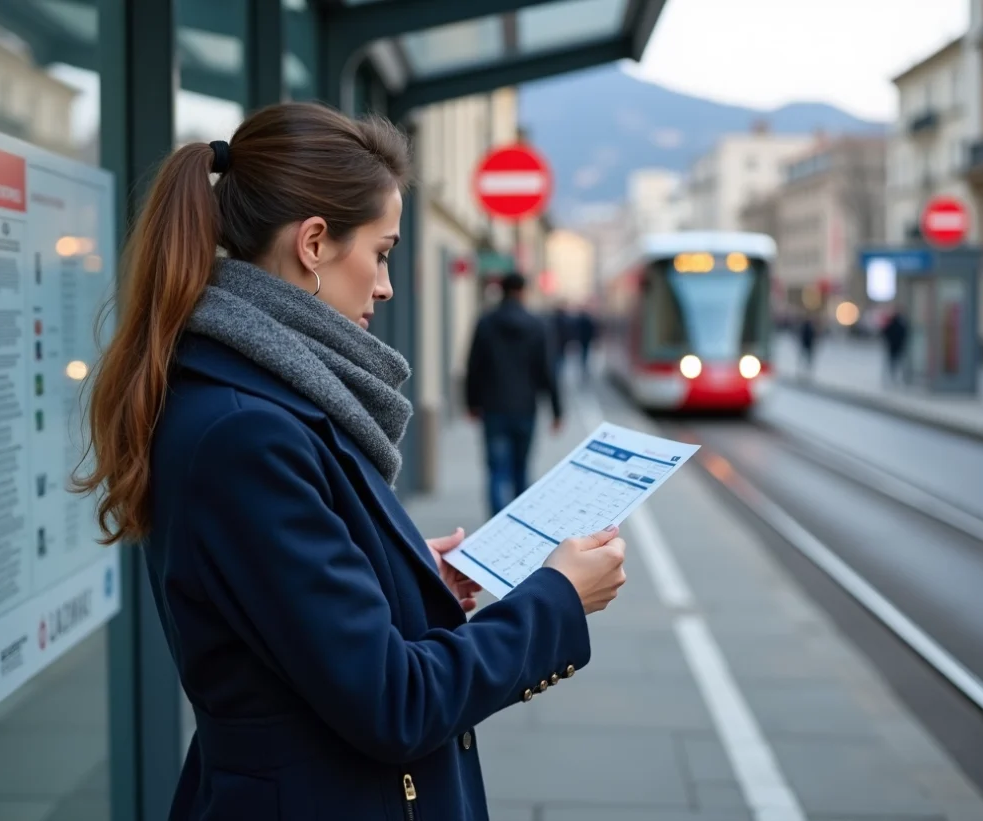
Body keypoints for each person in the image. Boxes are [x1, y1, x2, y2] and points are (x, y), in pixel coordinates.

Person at [71, 102, 627, 821]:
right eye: (383, 250)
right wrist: (555, 599)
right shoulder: (247, 434)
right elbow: (394, 702)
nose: (386, 284)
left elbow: (291, 623)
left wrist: (406, 577)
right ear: (312, 243)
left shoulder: (264, 394)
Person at [465, 271, 562, 516]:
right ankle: (518, 523)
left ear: (503, 291)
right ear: (522, 292)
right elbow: (547, 370)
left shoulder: (486, 322)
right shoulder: (537, 325)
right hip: (525, 408)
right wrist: (556, 409)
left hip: (494, 407)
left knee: (497, 469)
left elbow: (474, 365)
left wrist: (471, 403)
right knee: (521, 468)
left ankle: (496, 521)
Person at [881, 308, 908, 385]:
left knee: (892, 364)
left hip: (892, 347)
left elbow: (884, 333)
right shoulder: (901, 325)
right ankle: (898, 379)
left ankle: (892, 378)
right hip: (898, 347)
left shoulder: (892, 325)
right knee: (897, 364)